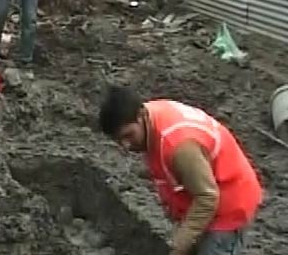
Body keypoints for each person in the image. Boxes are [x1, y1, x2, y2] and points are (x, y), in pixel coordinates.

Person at [98, 85, 262, 255]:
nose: (126, 146)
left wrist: (179, 246)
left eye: (128, 135)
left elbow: (207, 198)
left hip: (230, 203)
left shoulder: (179, 146)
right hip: (204, 193)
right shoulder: (151, 118)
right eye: (119, 140)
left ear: (141, 115)